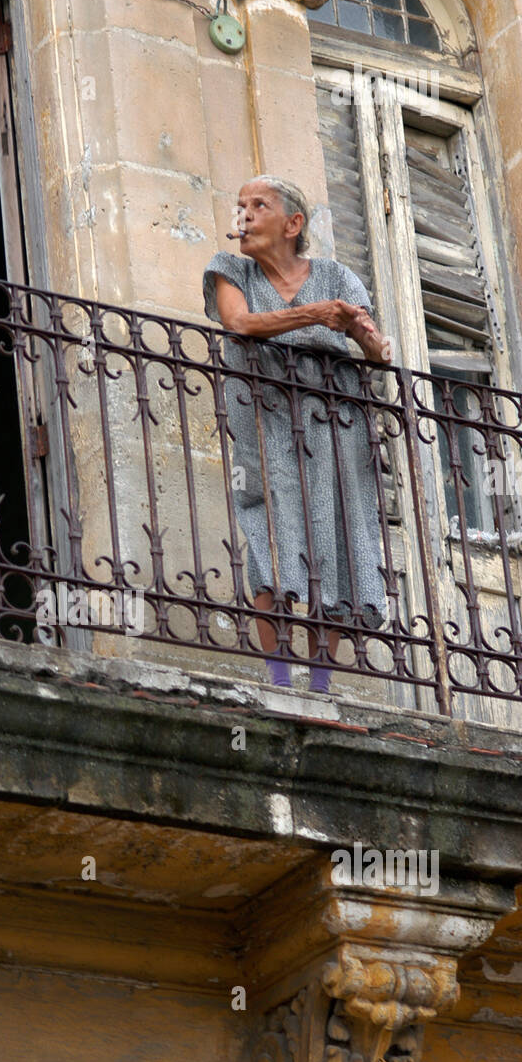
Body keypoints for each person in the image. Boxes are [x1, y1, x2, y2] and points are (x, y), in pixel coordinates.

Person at [202, 176, 393, 693]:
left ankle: (322, 686)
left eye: (257, 205)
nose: (243, 214)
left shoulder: (336, 276)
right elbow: (239, 323)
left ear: (292, 224)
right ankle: (281, 679)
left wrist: (372, 341)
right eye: (239, 205)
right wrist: (315, 315)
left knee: (332, 533)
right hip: (263, 417)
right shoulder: (230, 269)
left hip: (335, 420)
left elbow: (372, 344)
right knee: (268, 532)